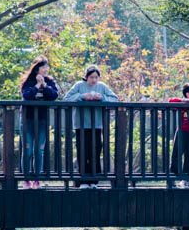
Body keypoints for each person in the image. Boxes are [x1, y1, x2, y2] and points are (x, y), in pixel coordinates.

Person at [63, 65, 118, 189]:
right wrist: (82, 97)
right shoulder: (78, 86)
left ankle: (94, 180)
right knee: (82, 151)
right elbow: (66, 98)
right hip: (80, 125)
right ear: (86, 77)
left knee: (96, 151)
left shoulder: (102, 87)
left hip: (97, 125)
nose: (94, 80)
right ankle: (82, 180)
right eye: (91, 77)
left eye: (96, 77)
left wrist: (102, 98)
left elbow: (115, 98)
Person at [19, 57, 58, 189]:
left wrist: (45, 85)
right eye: (43, 67)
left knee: (39, 151)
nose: (46, 70)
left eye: (47, 67)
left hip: (42, 119)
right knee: (28, 149)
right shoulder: (28, 81)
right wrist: (37, 85)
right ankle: (26, 180)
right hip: (27, 119)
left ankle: (37, 179)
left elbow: (54, 95)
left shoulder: (50, 81)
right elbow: (27, 96)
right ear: (37, 69)